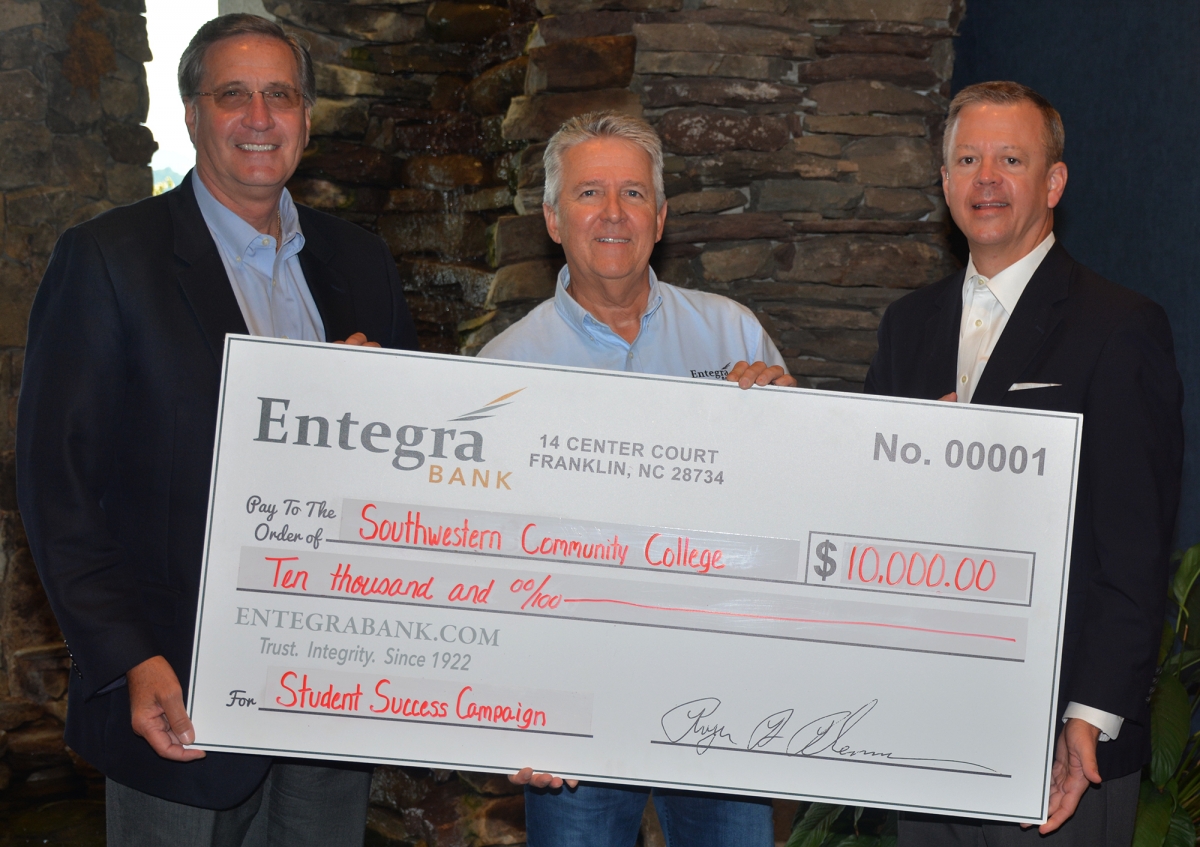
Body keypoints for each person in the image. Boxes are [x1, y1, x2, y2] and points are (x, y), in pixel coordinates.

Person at [16, 14, 417, 845]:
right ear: (191, 113)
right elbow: (57, 487)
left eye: (282, 95)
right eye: (233, 94)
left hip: (330, 690)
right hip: (175, 691)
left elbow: (410, 474)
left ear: (308, 117)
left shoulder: (361, 264)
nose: (259, 117)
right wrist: (130, 657)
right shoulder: (108, 261)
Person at [865, 81, 1183, 845]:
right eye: (967, 159)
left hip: (1059, 742)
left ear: (1053, 182)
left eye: (1011, 158)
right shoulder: (907, 327)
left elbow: (1136, 549)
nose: (986, 179)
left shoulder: (1121, 326)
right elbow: (865, 516)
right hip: (920, 726)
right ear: (943, 183)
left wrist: (1091, 715)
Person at [480, 111, 794, 847]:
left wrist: (788, 427)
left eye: (632, 193)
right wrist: (506, 713)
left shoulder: (735, 335)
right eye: (590, 194)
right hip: (572, 701)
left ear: (661, 215)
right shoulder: (503, 369)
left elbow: (794, 513)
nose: (613, 214)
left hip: (724, 690)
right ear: (554, 219)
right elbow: (483, 561)